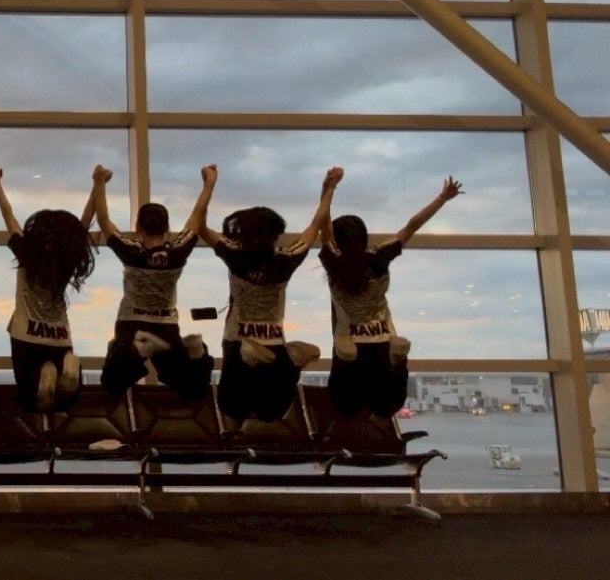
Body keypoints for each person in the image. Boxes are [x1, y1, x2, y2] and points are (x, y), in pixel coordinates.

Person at [196, 165, 344, 423]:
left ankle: (270, 359)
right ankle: (291, 363)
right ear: (275, 237)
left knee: (231, 406)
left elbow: (199, 226)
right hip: (272, 341)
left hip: (237, 338)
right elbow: (316, 224)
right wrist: (328, 188)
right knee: (273, 411)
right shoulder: (285, 260)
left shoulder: (235, 255)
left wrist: (208, 184)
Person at [320, 176, 463, 418]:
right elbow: (412, 226)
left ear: (337, 241)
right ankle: (398, 361)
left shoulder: (334, 263)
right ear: (364, 237)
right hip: (383, 342)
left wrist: (328, 188)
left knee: (344, 404)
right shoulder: (379, 257)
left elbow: (323, 226)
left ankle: (356, 360)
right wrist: (442, 198)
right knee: (387, 406)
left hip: (351, 344)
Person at [88, 164, 214, 400]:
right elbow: (197, 216)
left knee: (112, 383)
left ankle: (137, 351)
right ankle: (196, 353)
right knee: (190, 388)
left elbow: (104, 219)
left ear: (138, 227)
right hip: (166, 325)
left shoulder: (131, 252)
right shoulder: (177, 253)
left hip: (132, 324)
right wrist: (209, 183)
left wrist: (99, 182)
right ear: (167, 228)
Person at [0, 167, 95, 413]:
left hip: (26, 336)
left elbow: (8, 215)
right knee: (66, 401)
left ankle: (44, 372)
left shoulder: (27, 254)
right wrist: (97, 185)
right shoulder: (67, 260)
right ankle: (65, 366)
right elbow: (83, 227)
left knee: (28, 397)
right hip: (60, 338)